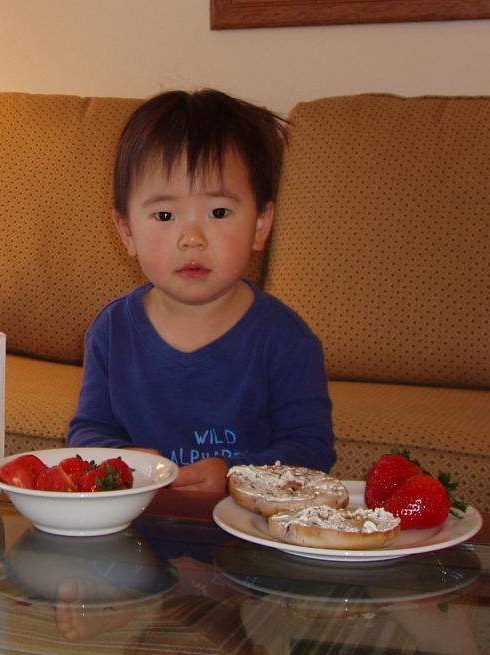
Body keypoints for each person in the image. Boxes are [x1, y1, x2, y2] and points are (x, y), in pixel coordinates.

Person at [67, 88, 334, 492]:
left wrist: (235, 475)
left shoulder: (285, 339)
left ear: (260, 225)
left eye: (219, 212)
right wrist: (126, 461)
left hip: (245, 525)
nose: (192, 237)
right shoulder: (111, 330)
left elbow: (312, 451)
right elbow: (88, 433)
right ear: (127, 231)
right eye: (164, 215)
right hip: (134, 524)